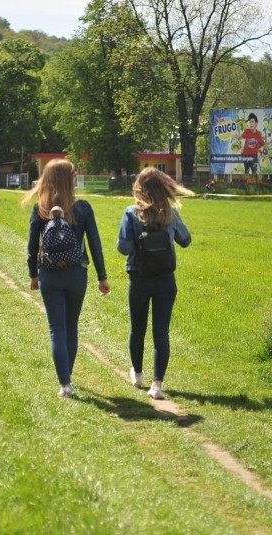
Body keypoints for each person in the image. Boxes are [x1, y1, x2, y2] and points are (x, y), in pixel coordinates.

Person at [23, 159, 110, 398]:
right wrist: (102, 277)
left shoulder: (40, 209)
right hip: (76, 274)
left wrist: (33, 274)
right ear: (69, 180)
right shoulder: (83, 208)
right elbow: (95, 244)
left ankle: (65, 384)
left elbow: (32, 246)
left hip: (50, 275)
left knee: (56, 330)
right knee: (71, 327)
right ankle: (67, 377)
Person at [117, 168, 193, 400]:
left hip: (139, 277)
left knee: (137, 329)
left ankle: (138, 374)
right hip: (165, 279)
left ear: (139, 187)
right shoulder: (170, 214)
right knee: (161, 332)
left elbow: (123, 248)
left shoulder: (131, 213)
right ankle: (157, 384)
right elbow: (186, 240)